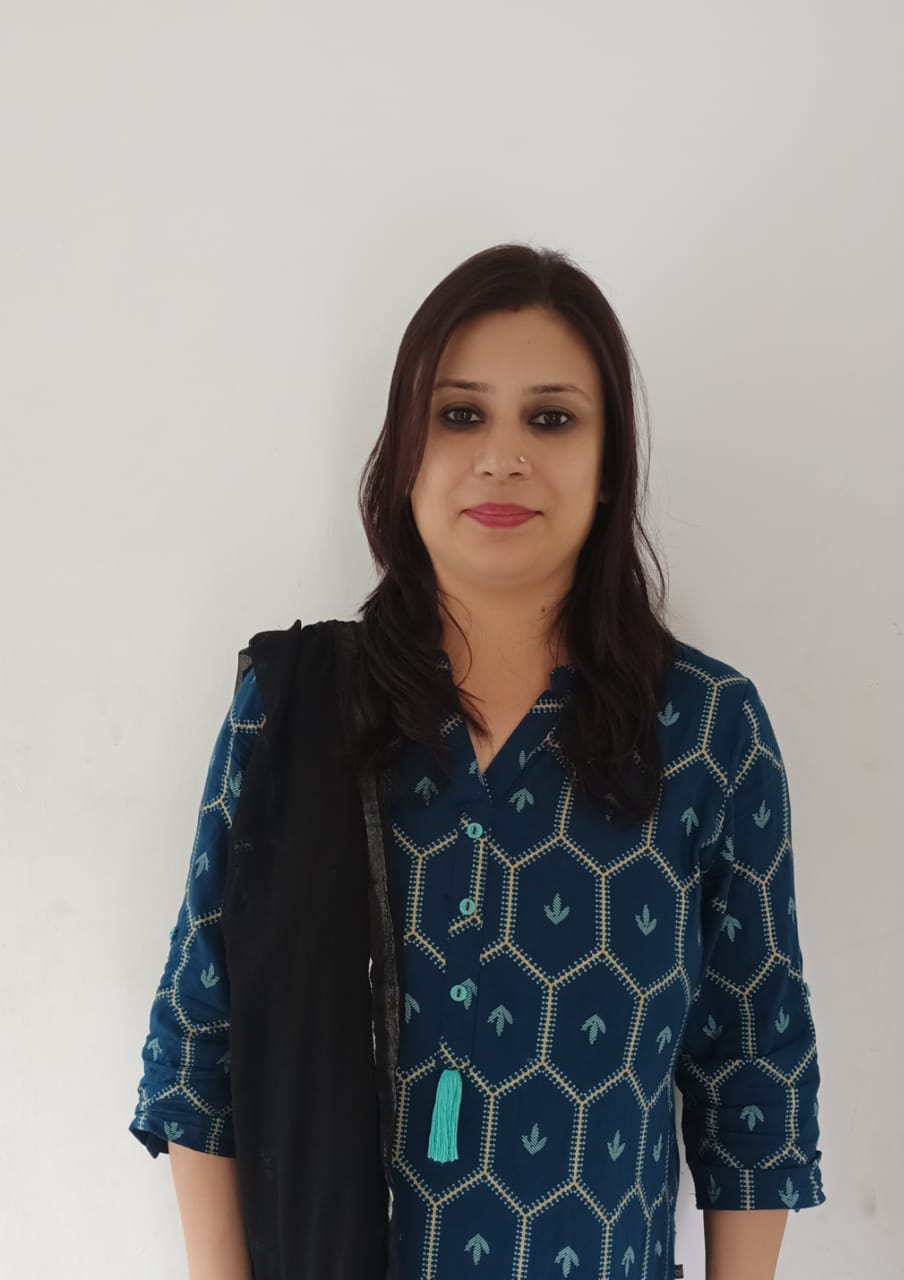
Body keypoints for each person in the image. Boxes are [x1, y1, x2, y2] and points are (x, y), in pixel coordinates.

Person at [129, 243, 826, 1279]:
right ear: (404, 454)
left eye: (551, 419)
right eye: (459, 414)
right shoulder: (294, 714)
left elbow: (753, 1071)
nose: (502, 457)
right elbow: (199, 1039)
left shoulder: (704, 730)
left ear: (608, 466)